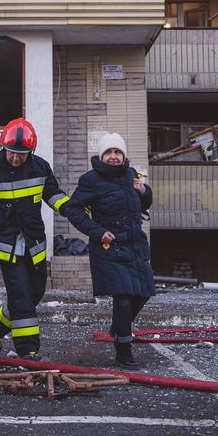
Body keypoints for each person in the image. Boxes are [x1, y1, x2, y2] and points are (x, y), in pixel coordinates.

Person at [0, 118, 70, 360]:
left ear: (31, 151)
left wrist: (70, 208)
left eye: (22, 154)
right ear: (4, 147)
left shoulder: (40, 168)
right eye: (12, 153)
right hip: (7, 249)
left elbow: (53, 195)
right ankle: (28, 352)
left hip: (34, 246)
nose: (16, 158)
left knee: (34, 294)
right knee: (22, 298)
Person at [64, 133, 155, 369]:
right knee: (123, 297)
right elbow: (73, 209)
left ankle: (117, 328)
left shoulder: (131, 175)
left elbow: (143, 204)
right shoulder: (91, 180)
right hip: (110, 246)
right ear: (102, 156)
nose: (113, 157)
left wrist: (144, 192)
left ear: (123, 155)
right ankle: (124, 349)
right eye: (109, 153)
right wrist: (97, 231)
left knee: (143, 292)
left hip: (135, 244)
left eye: (117, 152)